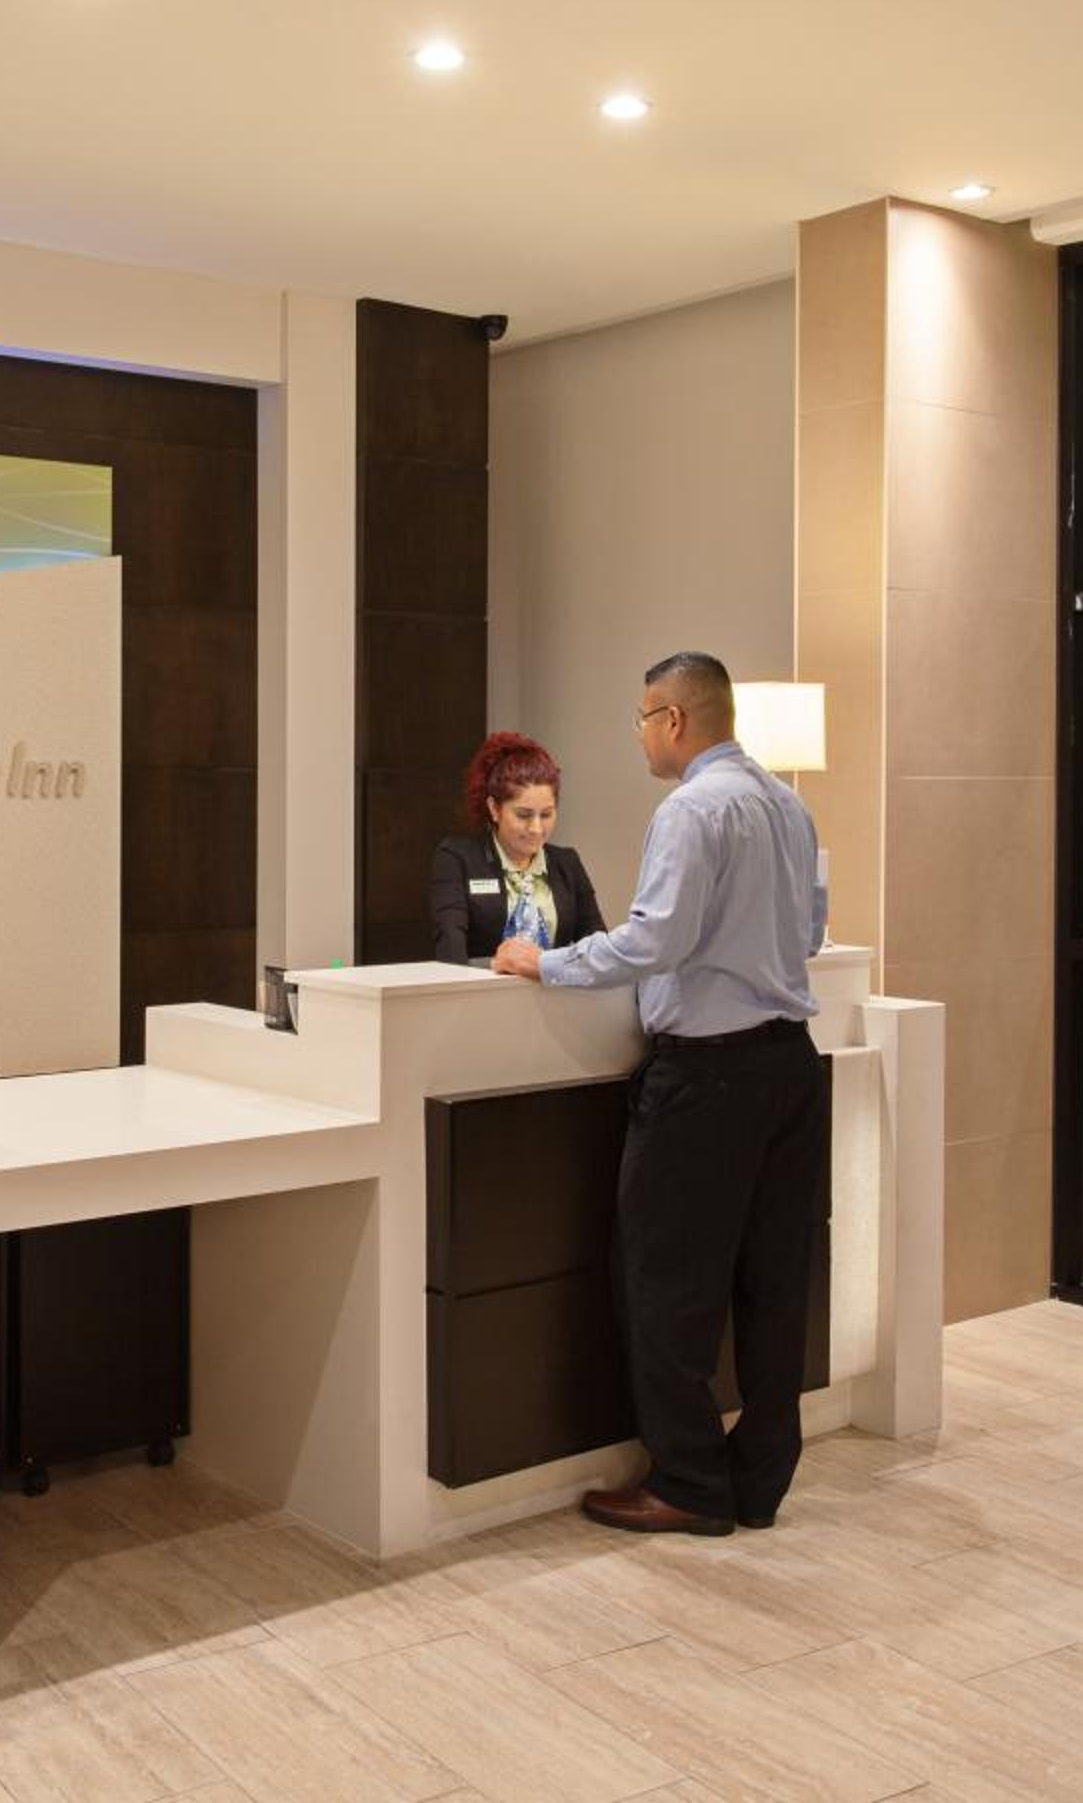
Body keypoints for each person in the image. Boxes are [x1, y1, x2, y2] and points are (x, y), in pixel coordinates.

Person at [494, 652, 828, 1537]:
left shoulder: (691, 809)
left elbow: (654, 942)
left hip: (707, 1079)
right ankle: (757, 1482)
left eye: (643, 719)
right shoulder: (787, 805)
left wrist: (545, 962)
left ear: (674, 720)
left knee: (667, 1282)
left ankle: (688, 1482)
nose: (640, 736)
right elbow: (811, 930)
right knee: (775, 1285)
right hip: (792, 1070)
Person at [428, 731, 606, 965]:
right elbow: (451, 954)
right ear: (494, 809)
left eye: (546, 814)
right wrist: (498, 966)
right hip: (481, 987)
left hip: (554, 988)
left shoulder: (567, 863)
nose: (536, 829)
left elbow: (597, 948)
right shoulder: (458, 859)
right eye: (523, 815)